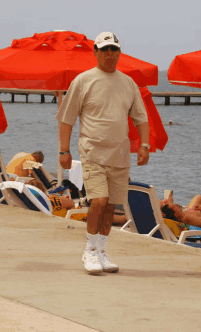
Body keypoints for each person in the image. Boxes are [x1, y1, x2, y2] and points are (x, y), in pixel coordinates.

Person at [55, 31, 150, 275]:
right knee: (98, 200)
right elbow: (66, 120)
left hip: (120, 156)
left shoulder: (128, 83)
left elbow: (141, 118)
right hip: (92, 153)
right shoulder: (83, 81)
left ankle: (102, 251)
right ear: (95, 52)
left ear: (119, 53)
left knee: (111, 206)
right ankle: (89, 250)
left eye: (113, 49)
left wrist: (145, 145)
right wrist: (63, 150)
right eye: (104, 49)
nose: (109, 54)